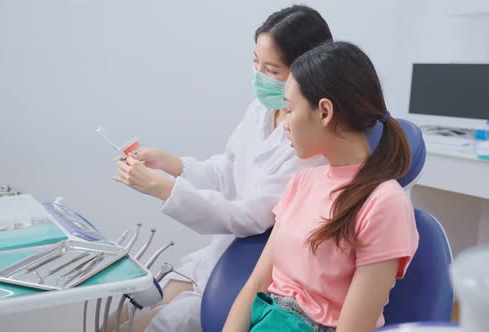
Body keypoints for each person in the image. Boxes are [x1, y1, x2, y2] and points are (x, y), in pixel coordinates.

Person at [111, 5, 333, 332]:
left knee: (155, 324)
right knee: (122, 323)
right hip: (220, 255)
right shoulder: (260, 110)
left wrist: (161, 187)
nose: (259, 76)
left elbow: (251, 217)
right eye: (256, 63)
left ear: (309, 71)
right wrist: (173, 165)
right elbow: (228, 172)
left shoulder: (310, 141)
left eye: (271, 70)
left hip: (252, 265)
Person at [223, 41, 419, 332]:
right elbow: (258, 283)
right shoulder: (302, 182)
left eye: (289, 110)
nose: (285, 123)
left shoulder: (385, 202)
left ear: (325, 112)